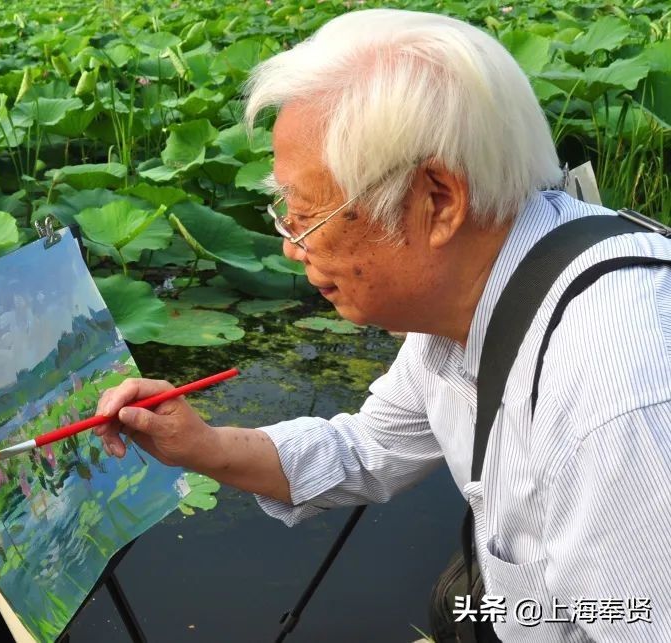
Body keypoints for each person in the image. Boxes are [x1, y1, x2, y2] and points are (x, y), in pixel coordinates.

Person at [93, 9, 671, 642]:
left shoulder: (620, 399)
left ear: (438, 201)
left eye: (306, 216)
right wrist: (199, 447)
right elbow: (367, 449)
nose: (291, 246)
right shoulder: (470, 291)